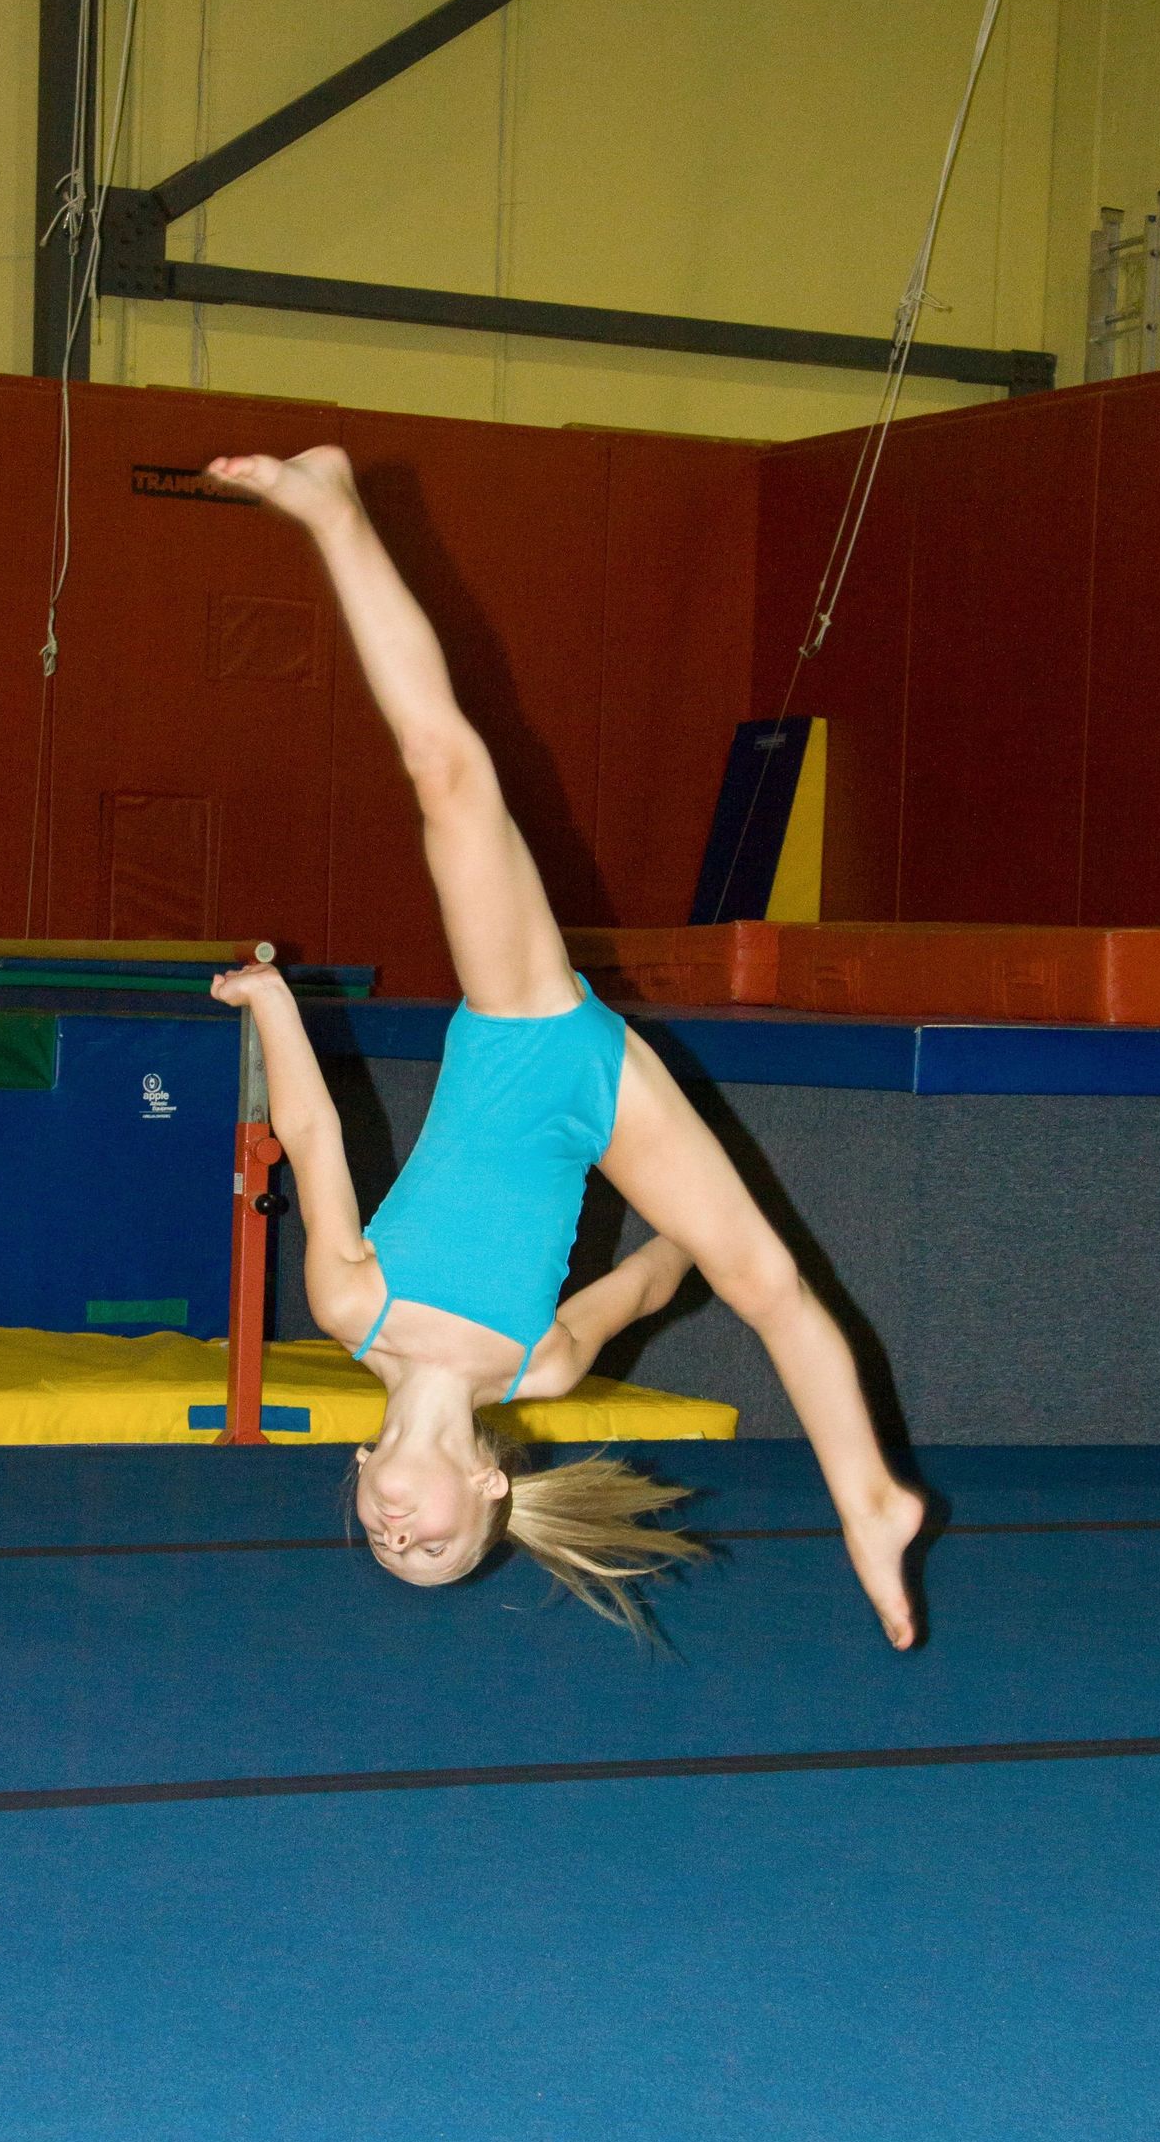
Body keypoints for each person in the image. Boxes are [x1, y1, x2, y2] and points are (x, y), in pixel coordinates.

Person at [204, 446, 923, 1646]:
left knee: (447, 775)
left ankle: (331, 512)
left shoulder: (351, 1307)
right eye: (431, 1546)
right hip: (611, 1098)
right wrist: (695, 1242)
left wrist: (276, 1005)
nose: (397, 1532)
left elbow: (317, 1133)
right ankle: (870, 1496)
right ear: (487, 1489)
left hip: (521, 1032)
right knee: (768, 1282)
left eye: (386, 1546)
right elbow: (646, 1279)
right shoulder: (538, 1371)